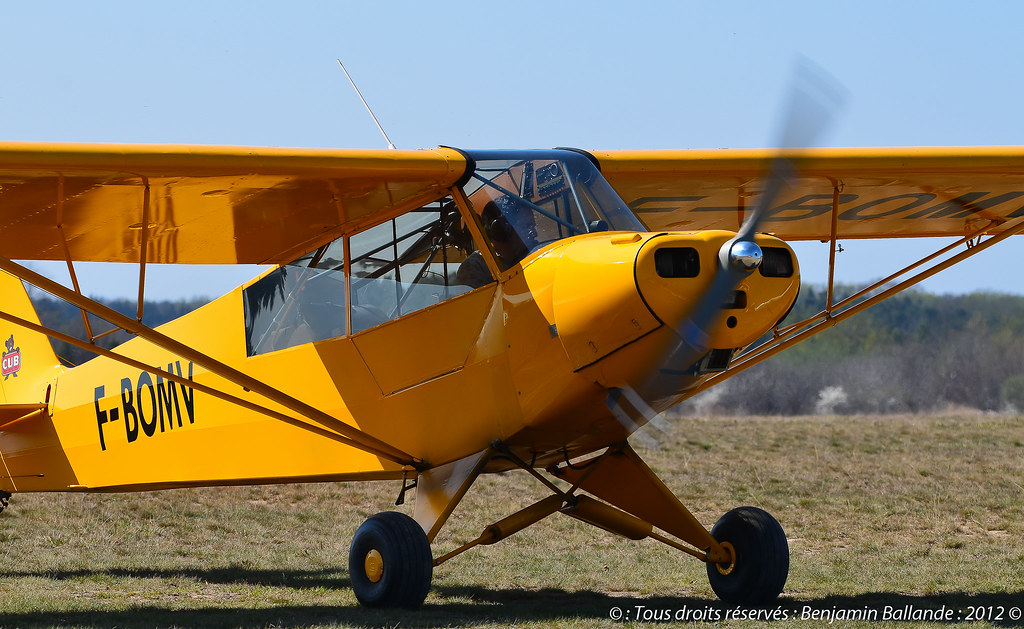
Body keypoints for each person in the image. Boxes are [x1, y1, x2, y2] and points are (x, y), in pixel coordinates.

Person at [457, 199, 536, 288]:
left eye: (533, 227)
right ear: (501, 230)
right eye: (526, 227)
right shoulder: (474, 267)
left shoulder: (533, 253)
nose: (534, 233)